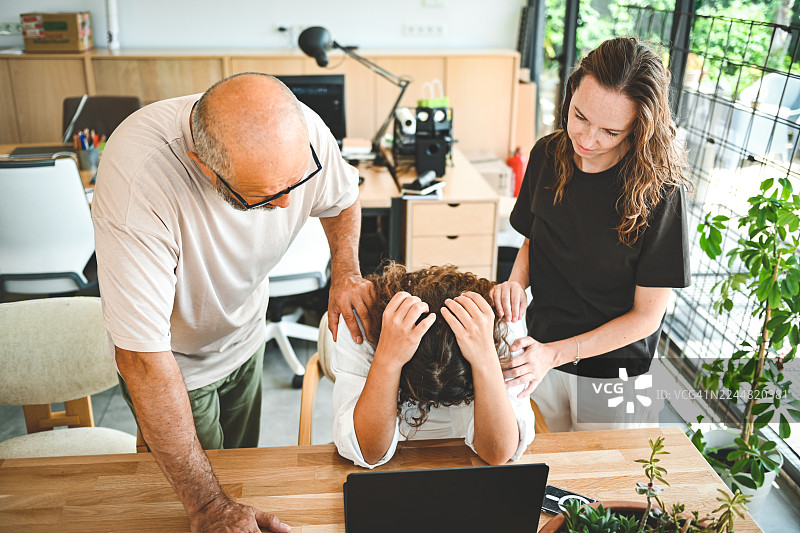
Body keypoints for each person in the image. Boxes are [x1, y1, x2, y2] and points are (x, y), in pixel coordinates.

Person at [92, 72, 373, 533]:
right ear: (205, 168)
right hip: (174, 366)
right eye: (265, 198)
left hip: (246, 336)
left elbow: (341, 199)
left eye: (294, 185)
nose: (287, 208)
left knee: (240, 478)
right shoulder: (139, 180)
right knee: (187, 508)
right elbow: (142, 358)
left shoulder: (298, 129)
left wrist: (346, 271)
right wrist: (206, 508)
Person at [491, 37, 691, 432]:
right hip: (538, 349)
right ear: (570, 93)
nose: (586, 139)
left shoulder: (661, 192)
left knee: (603, 488)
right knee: (540, 475)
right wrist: (515, 284)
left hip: (613, 374)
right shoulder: (548, 154)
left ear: (639, 130)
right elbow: (536, 236)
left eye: (609, 132)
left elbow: (646, 318)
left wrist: (555, 354)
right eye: (579, 116)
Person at [331, 263, 536, 468]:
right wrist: (387, 360)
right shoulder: (364, 317)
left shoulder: (498, 320)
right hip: (394, 469)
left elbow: (497, 452)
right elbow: (368, 452)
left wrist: (485, 359)